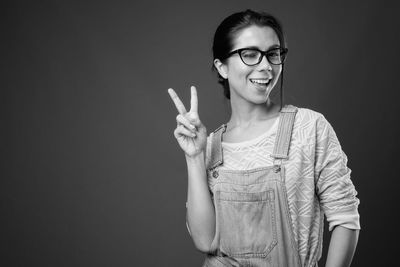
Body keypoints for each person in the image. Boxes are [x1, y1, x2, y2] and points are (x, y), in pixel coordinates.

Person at [167, 9, 360, 267]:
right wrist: (194, 157)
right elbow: (205, 242)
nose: (266, 66)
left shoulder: (309, 128)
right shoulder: (209, 145)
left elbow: (346, 219)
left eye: (273, 54)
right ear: (221, 67)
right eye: (249, 55)